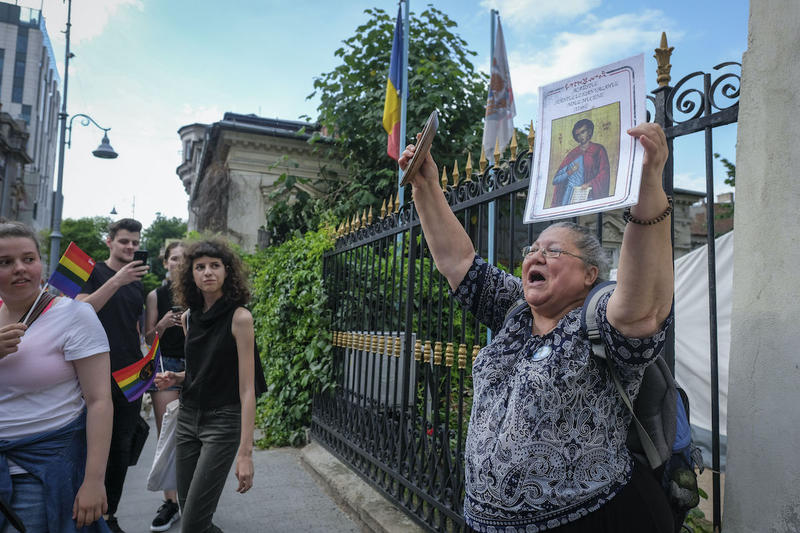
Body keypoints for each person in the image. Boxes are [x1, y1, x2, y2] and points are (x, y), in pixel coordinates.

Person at [399, 122, 674, 532]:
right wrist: (425, 186)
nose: (536, 256)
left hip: (589, 518)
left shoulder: (597, 318)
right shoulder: (516, 311)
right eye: (533, 249)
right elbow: (458, 263)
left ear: (589, 275)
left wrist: (649, 184)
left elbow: (643, 312)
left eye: (554, 251)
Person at [0, 221, 113, 532]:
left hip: (40, 473)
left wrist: (93, 481)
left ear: (41, 263)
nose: (20, 269)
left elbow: (99, 401)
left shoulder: (75, 315)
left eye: (28, 259)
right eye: (5, 262)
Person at [155, 239, 255, 533]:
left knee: (192, 525)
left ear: (227, 272)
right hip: (187, 419)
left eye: (215, 266)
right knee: (193, 518)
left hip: (222, 423)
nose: (208, 272)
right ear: (191, 274)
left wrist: (245, 454)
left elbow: (247, 388)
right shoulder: (188, 317)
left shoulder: (240, 318)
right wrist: (179, 377)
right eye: (200, 267)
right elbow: (205, 370)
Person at [77, 218, 148, 533]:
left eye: (135, 242)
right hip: (94, 373)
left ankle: (109, 515)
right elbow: (81, 311)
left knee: (121, 447)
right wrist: (117, 280)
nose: (131, 247)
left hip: (131, 373)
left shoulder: (137, 281)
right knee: (90, 446)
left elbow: (134, 327)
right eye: (124, 241)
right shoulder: (90, 271)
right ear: (109, 241)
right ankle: (84, 512)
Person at [144, 241, 185, 532]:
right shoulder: (155, 295)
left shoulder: (199, 292)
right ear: (165, 263)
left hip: (196, 365)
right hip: (165, 364)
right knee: (167, 433)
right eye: (174, 259)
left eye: (184, 259)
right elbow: (148, 338)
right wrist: (162, 324)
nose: (178, 263)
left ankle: (192, 501)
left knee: (196, 433)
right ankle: (170, 502)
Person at [550, 118, 611, 207]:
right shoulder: (572, 154)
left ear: (589, 131)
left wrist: (590, 183)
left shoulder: (598, 149)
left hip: (589, 194)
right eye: (577, 134)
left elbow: (604, 172)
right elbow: (558, 179)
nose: (580, 136)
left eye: (583, 132)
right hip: (571, 195)